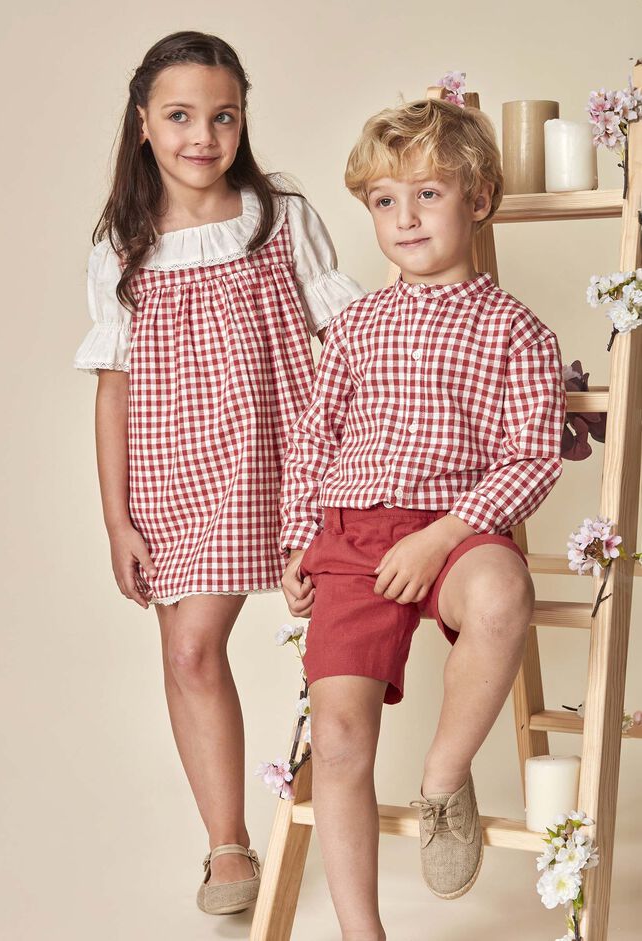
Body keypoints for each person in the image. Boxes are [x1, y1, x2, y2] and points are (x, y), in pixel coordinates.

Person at [73, 30, 364, 916]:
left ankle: (365, 806)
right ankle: (227, 844)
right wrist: (117, 519)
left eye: (223, 116)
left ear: (243, 120)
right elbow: (114, 388)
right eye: (180, 116)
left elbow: (346, 338)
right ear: (143, 123)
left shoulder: (278, 218)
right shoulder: (122, 246)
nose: (203, 136)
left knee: (271, 641)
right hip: (174, 469)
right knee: (187, 650)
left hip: (280, 456)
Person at [279, 98, 565, 940]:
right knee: (337, 738)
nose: (404, 218)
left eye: (428, 195)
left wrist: (442, 536)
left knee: (502, 590)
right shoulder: (356, 325)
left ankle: (444, 776)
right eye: (384, 201)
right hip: (353, 535)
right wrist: (300, 536)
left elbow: (531, 457)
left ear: (479, 199)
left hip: (456, 530)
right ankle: (361, 932)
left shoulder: (517, 331)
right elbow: (314, 438)